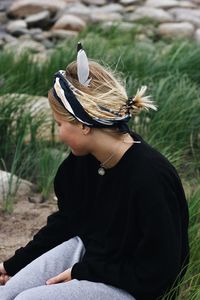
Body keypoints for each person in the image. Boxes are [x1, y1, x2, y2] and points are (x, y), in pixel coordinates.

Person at [0, 43, 189, 300]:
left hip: (135, 286)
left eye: (59, 124)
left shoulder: (150, 177)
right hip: (91, 254)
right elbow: (66, 224)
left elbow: (160, 269)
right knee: (6, 293)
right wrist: (12, 265)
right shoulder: (83, 163)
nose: (58, 134)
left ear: (84, 125)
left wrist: (85, 272)